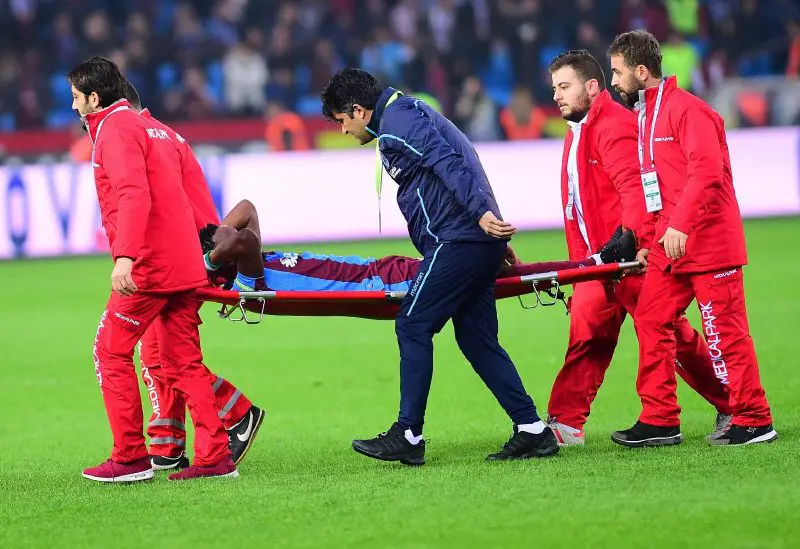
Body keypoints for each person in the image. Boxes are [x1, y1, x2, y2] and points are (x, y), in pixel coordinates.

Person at [320, 68, 559, 465]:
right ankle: (532, 429)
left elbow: (449, 163)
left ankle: (408, 434)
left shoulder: (398, 122)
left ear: (359, 110)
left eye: (342, 120)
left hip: (458, 241)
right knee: (477, 340)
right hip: (474, 241)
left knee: (412, 324)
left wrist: (482, 215)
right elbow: (466, 158)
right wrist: (493, 230)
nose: (344, 130)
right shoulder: (407, 113)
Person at [545, 49, 733, 446]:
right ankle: (565, 423)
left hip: (627, 258)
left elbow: (638, 190)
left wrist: (634, 243)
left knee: (668, 336)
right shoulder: (579, 129)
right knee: (588, 335)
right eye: (555, 88)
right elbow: (576, 211)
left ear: (591, 86)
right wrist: (583, 268)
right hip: (601, 261)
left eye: (564, 86)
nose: (556, 96)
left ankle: (731, 403)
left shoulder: (614, 125)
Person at [71, 56, 237, 482]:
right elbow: (192, 196)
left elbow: (132, 193)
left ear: (95, 98)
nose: (73, 106)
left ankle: (129, 456)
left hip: (150, 264)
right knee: (183, 361)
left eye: (76, 97)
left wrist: (125, 256)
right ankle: (215, 457)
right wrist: (211, 257)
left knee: (110, 351)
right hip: (184, 261)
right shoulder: (159, 130)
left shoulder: (114, 130)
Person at [607, 31, 776, 446]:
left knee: (723, 332)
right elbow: (658, 189)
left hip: (709, 242)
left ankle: (755, 418)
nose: (613, 82)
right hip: (670, 246)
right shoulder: (647, 116)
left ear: (641, 71)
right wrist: (650, 241)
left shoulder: (690, 111)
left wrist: (680, 226)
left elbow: (707, 173)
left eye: (617, 72)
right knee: (651, 318)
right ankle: (660, 419)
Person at [123, 83, 265, 470]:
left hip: (180, 259)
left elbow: (150, 203)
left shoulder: (137, 138)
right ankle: (168, 443)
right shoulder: (165, 135)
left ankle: (237, 412)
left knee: (168, 356)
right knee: (159, 351)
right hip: (194, 252)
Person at [199, 199, 637, 294]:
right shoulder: (249, 281)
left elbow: (246, 209)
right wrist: (210, 261)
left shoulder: (252, 260)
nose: (224, 229)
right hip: (386, 284)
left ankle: (596, 261)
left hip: (386, 270)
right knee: (499, 276)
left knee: (501, 275)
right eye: (218, 235)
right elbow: (243, 236)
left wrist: (214, 242)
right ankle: (597, 262)